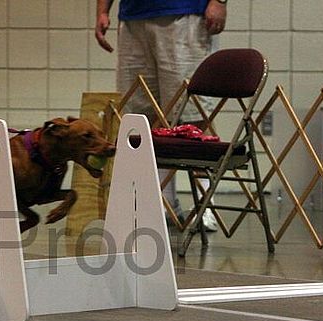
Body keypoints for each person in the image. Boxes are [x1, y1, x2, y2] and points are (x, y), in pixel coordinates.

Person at [95, 0, 227, 231]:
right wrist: (103, 10)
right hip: (133, 18)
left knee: (192, 112)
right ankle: (163, 204)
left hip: (185, 14)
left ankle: (206, 207)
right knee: (143, 114)